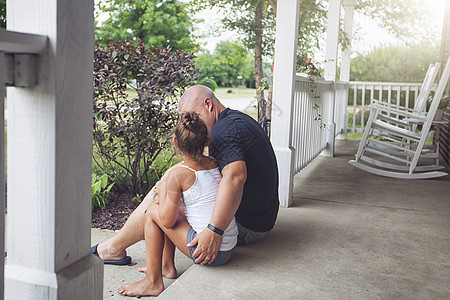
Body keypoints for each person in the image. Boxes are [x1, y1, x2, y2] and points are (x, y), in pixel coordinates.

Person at [91, 84, 279, 266]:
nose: (191, 124)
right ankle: (122, 249)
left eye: (194, 116)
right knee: (168, 185)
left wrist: (214, 230)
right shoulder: (235, 120)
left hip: (249, 227)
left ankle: (114, 249)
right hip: (262, 218)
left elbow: (236, 177)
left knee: (163, 199)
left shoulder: (222, 133)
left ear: (208, 104)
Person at [117, 111, 238, 297]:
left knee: (152, 213)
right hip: (228, 245)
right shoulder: (215, 163)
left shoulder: (178, 175)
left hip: (209, 253)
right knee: (174, 210)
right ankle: (166, 266)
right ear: (206, 141)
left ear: (175, 142)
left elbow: (167, 221)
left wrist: (164, 190)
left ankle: (153, 281)